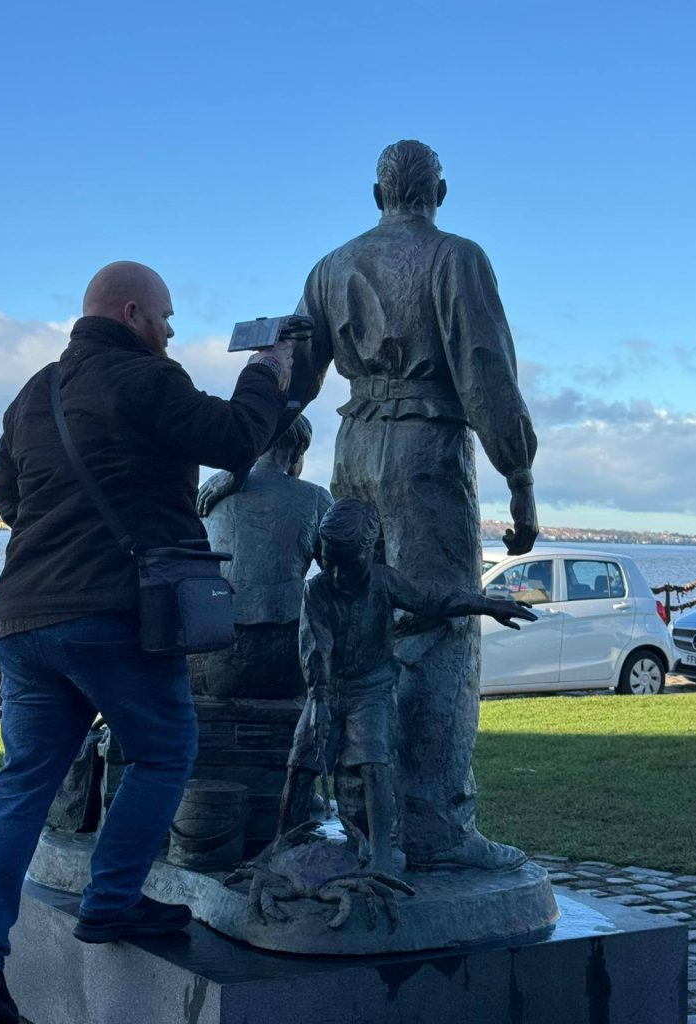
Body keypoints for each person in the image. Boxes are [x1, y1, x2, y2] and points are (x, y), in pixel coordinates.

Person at [0, 261, 295, 1024]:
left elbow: (10, 500)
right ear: (133, 313)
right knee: (165, 749)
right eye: (167, 318)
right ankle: (110, 899)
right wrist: (268, 371)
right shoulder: (146, 379)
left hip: (28, 620)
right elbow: (237, 438)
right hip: (115, 614)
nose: (172, 332)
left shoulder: (31, 392)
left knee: (22, 782)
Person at [199, 140, 539, 873]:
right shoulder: (457, 257)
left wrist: (241, 463)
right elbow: (486, 375)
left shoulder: (330, 268)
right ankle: (437, 827)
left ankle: (365, 821)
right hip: (427, 453)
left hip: (355, 451)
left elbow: (290, 381)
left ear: (374, 192)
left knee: (365, 628)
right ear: (438, 191)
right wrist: (520, 479)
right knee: (439, 625)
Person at [279, 499, 537, 874]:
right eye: (329, 563)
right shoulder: (316, 590)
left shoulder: (385, 581)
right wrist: (319, 699)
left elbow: (432, 599)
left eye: (347, 565)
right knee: (301, 762)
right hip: (328, 689)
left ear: (370, 550)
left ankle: (382, 854)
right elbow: (316, 648)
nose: (337, 575)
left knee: (375, 762)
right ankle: (282, 843)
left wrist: (484, 604)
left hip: (372, 690)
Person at [191, 414, 333, 700]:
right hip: (291, 650)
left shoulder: (211, 495)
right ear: (297, 452)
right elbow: (339, 573)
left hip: (217, 647)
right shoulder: (317, 497)